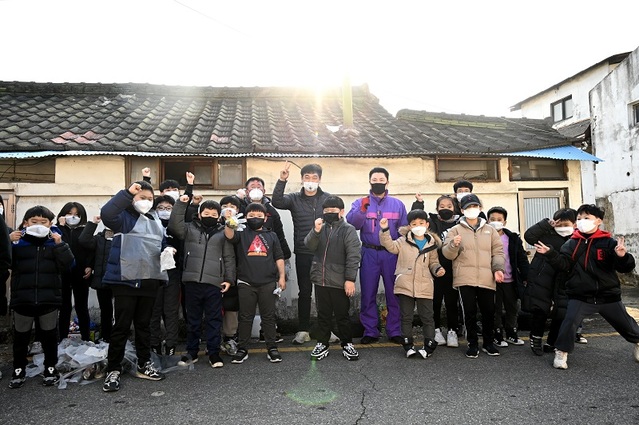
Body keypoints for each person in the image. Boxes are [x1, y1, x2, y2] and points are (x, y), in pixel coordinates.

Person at [533, 204, 639, 370]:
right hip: (581, 295)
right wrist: (550, 254)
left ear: (598, 221)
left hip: (608, 295)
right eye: (580, 218)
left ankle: (637, 341)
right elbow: (564, 265)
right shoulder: (571, 243)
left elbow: (625, 268)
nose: (582, 221)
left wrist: (623, 256)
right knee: (569, 323)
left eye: (587, 218)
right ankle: (561, 352)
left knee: (626, 325)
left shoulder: (609, 243)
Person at [101, 181, 172, 392]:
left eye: (150, 199)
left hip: (149, 279)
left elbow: (161, 243)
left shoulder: (155, 220)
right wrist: (126, 192)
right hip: (125, 279)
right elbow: (107, 213)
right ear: (132, 200)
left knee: (144, 325)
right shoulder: (124, 218)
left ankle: (144, 362)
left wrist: (169, 250)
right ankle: (113, 368)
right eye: (142, 198)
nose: (146, 202)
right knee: (121, 326)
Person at [8, 206, 74, 389]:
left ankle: (50, 368)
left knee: (49, 337)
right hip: (23, 298)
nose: (38, 225)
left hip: (48, 298)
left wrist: (60, 244)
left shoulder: (55, 242)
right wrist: (7, 242)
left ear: (50, 224)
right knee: (21, 338)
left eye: (43, 222)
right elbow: (6, 262)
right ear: (25, 223)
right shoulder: (17, 244)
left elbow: (69, 265)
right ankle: (18, 369)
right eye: (34, 222)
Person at [169, 196, 235, 368]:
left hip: (214, 283)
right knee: (193, 319)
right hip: (191, 282)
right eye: (206, 213)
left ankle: (213, 353)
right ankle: (192, 352)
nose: (210, 216)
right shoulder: (189, 229)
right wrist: (182, 203)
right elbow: (174, 226)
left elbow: (229, 257)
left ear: (219, 216)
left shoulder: (223, 232)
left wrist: (229, 278)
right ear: (199, 214)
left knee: (214, 320)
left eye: (214, 214)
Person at [271, 162, 332, 345]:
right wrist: (282, 180)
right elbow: (277, 201)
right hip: (303, 251)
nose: (311, 181)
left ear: (320, 179)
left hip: (324, 252)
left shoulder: (328, 199)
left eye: (314, 178)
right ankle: (303, 330)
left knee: (325, 291)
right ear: (302, 179)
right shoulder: (294, 198)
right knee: (305, 291)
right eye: (307, 178)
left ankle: (326, 329)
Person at [346, 167, 408, 344]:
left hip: (391, 254)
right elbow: (352, 224)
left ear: (387, 182)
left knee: (393, 293)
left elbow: (404, 230)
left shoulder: (397, 204)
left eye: (382, 179)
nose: (378, 182)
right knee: (368, 293)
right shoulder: (360, 202)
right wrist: (362, 210)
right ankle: (370, 331)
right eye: (375, 179)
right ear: (370, 181)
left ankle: (394, 330)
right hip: (369, 253)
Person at [442, 194, 505, 358]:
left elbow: (498, 252)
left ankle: (489, 343)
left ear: (480, 208)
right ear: (462, 210)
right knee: (468, 312)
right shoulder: (455, 230)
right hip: (465, 277)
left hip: (486, 277)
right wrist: (452, 245)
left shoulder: (490, 230)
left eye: (475, 206)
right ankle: (472, 343)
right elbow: (447, 254)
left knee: (488, 312)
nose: (472, 209)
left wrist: (498, 269)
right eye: (468, 207)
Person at [224, 203, 286, 364]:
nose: (255, 219)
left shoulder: (271, 236)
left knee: (269, 317)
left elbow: (279, 257)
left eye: (259, 216)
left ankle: (272, 348)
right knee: (245, 317)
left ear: (265, 218)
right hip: (245, 282)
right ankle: (243, 348)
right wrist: (229, 221)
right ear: (245, 217)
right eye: (251, 216)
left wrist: (282, 277)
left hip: (268, 282)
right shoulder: (242, 233)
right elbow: (229, 235)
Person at [380, 209, 445, 358]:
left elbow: (433, 262)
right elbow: (390, 246)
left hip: (425, 284)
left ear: (427, 224)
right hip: (405, 284)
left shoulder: (432, 242)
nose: (418, 226)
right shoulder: (403, 241)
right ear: (409, 226)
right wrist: (384, 230)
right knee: (406, 316)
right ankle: (408, 345)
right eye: (414, 223)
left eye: (421, 223)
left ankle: (429, 345)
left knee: (427, 316)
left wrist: (438, 269)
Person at [304, 196, 361, 361]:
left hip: (339, 281)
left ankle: (347, 343)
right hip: (320, 279)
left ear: (341, 212)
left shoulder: (348, 229)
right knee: (323, 314)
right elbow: (309, 245)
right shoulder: (319, 228)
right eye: (326, 211)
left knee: (342, 314)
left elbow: (353, 255)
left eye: (333, 211)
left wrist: (350, 279)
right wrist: (315, 231)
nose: (329, 213)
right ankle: (322, 343)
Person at [522, 208, 577, 355]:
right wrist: (546, 224)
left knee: (561, 312)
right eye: (558, 224)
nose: (562, 227)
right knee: (540, 310)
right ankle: (536, 338)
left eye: (565, 224)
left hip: (564, 279)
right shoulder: (546, 235)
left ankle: (552, 342)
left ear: (574, 224)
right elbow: (529, 236)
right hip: (543, 277)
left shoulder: (576, 239)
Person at [411, 194, 461, 347]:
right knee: (435, 301)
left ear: (455, 208)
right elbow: (417, 218)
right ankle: (437, 330)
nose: (445, 209)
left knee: (453, 302)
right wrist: (419, 203)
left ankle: (453, 331)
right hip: (434, 268)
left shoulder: (460, 223)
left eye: (449, 206)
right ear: (437, 208)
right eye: (442, 206)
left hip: (454, 268)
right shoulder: (432, 222)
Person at [486, 206, 529, 347]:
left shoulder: (512, 238)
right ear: (487, 220)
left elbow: (521, 258)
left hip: (510, 279)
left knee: (512, 308)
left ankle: (512, 333)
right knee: (495, 309)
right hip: (491, 280)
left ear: (504, 221)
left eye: (499, 219)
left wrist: (526, 276)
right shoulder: (484, 237)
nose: (496, 222)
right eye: (492, 219)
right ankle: (497, 335)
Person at [56, 202, 94, 342]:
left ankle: (86, 339)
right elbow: (58, 244)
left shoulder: (84, 231)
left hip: (81, 274)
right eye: (70, 214)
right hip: (63, 274)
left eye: (77, 215)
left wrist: (90, 265)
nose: (73, 217)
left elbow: (90, 249)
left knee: (82, 307)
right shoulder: (57, 230)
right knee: (64, 308)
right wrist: (60, 226)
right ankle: (62, 339)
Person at [149, 194, 180, 356]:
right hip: (154, 272)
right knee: (154, 310)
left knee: (171, 310)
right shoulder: (150, 224)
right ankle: (154, 343)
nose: (164, 211)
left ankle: (171, 344)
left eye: (168, 208)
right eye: (160, 208)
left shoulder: (178, 226)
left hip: (173, 273)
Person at [78, 215, 114, 342]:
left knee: (120, 311)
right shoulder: (99, 238)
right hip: (102, 280)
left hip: (119, 281)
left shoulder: (123, 237)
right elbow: (83, 240)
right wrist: (93, 223)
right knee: (105, 310)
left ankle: (117, 337)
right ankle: (106, 336)